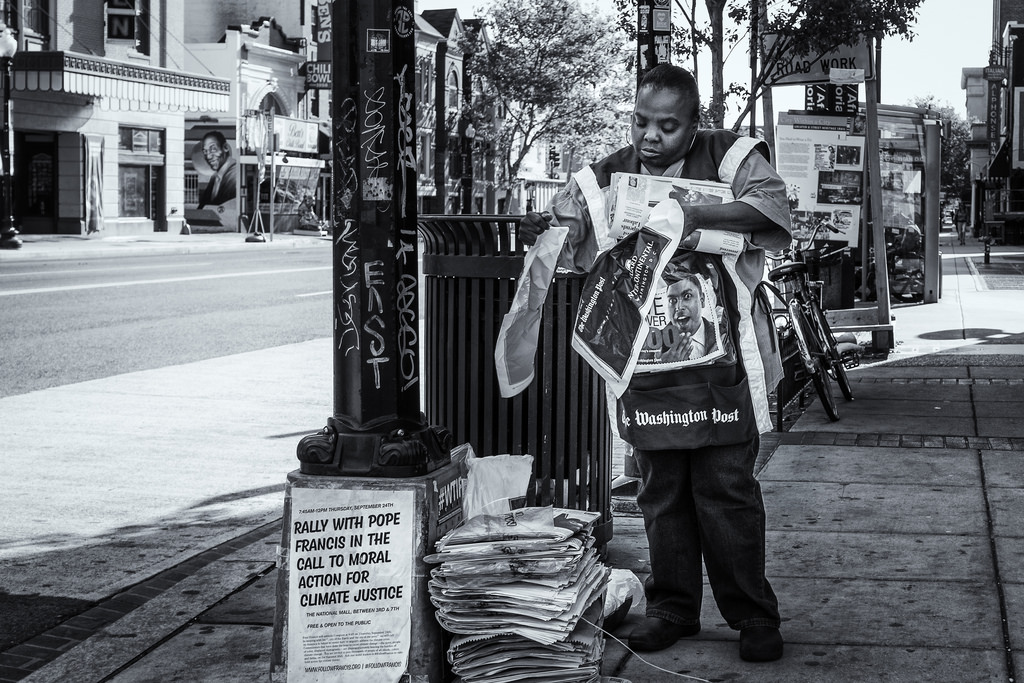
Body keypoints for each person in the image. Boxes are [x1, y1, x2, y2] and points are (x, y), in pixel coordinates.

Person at [519, 64, 792, 662]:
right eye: (641, 121)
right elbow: (568, 236)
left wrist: (695, 216)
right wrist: (558, 230)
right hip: (645, 367)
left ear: (695, 125)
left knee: (727, 488)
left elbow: (773, 212)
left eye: (667, 126)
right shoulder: (608, 174)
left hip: (724, 368)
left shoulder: (732, 158)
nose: (650, 137)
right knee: (660, 489)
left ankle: (752, 615)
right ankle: (672, 607)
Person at [660, 272, 717, 362]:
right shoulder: (655, 341)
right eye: (672, 300)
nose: (679, 307)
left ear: (702, 300)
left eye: (687, 296)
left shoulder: (721, 333)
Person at [196, 131, 238, 208]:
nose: (208, 156)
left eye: (213, 149)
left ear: (225, 147)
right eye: (205, 151)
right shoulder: (215, 176)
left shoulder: (234, 173)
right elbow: (203, 206)